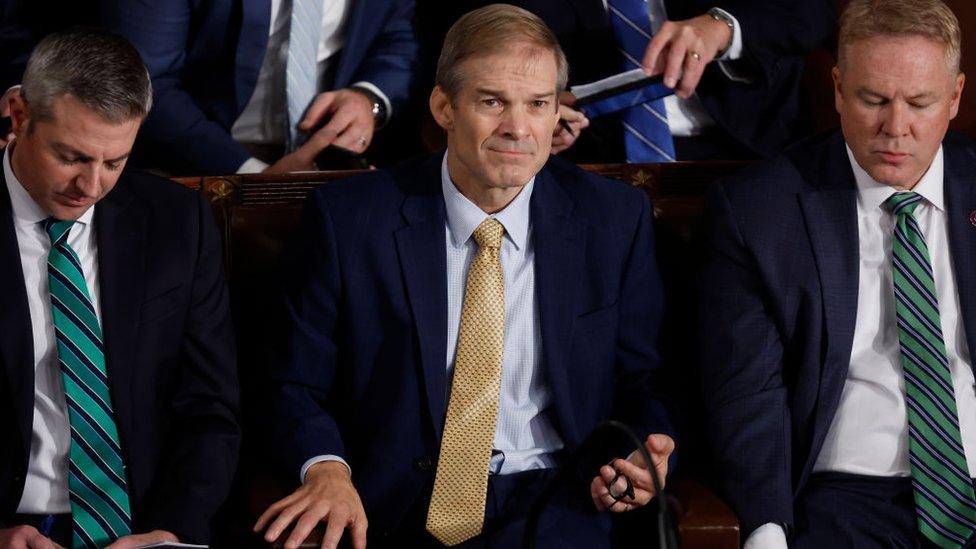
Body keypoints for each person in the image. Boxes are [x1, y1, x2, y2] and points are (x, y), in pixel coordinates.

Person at [256, 5, 676, 548]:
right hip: (395, 506)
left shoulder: (613, 220)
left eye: (538, 104)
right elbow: (291, 383)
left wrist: (643, 452)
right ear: (443, 107)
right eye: (492, 101)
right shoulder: (350, 220)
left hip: (561, 501)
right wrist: (327, 470)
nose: (517, 128)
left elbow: (647, 380)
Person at [700, 0, 975, 547]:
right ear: (837, 89)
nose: (895, 128)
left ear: (955, 97)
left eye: (919, 102)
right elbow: (749, 390)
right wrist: (765, 526)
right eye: (873, 99)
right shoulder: (759, 210)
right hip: (843, 498)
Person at [0, 29, 239, 547]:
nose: (91, 187)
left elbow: (209, 406)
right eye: (71, 157)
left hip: (144, 527)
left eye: (114, 162)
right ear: (19, 116)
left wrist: (173, 531)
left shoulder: (178, 222)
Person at [417, 0, 834, 162]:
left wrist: (723, 27)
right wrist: (534, 109)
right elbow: (462, 48)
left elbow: (811, 13)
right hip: (587, 159)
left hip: (747, 147)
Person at [100, 0, 418, 175]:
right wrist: (256, 178)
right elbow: (145, 83)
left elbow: (396, 39)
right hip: (195, 160)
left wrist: (368, 99)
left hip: (332, 162)